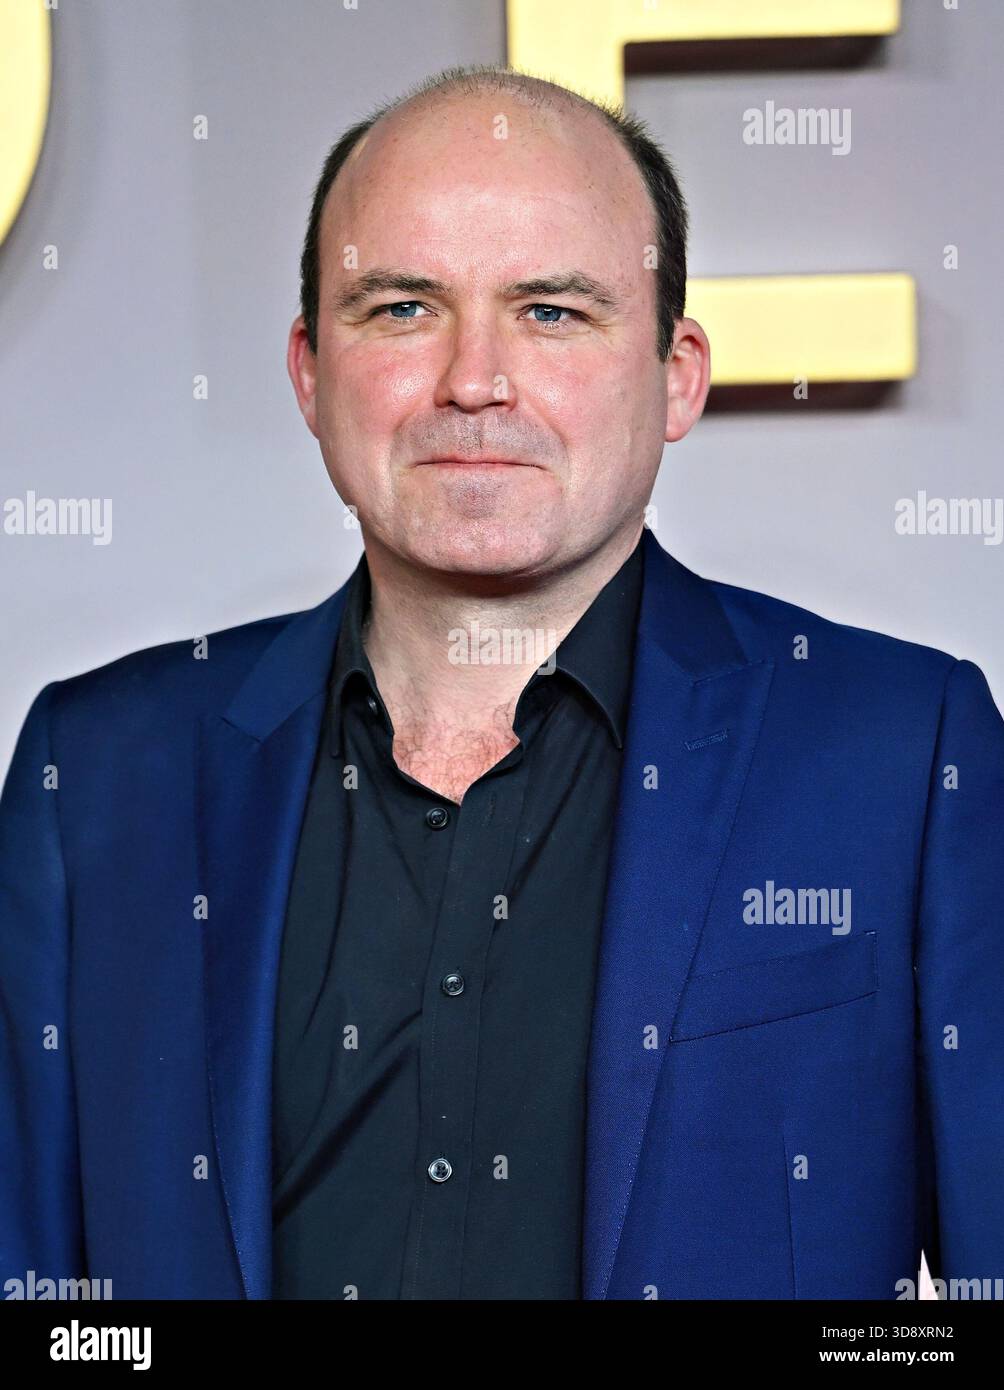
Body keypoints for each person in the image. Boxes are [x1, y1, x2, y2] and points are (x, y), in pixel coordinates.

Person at [1, 63, 1002, 1302]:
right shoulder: (93, 774)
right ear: (310, 372)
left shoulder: (900, 755)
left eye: (550, 312)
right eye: (402, 308)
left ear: (676, 373)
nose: (473, 380)